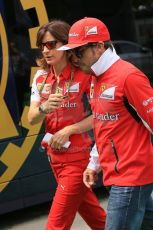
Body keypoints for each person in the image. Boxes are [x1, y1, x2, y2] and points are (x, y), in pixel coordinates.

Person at [58, 17, 153, 230]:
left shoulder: (129, 76)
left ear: (99, 47)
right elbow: (104, 127)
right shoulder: (94, 79)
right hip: (115, 174)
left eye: (78, 51)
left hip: (131, 176)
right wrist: (94, 163)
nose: (73, 58)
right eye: (70, 52)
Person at [28, 20, 106, 230]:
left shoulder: (85, 75)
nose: (46, 50)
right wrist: (44, 107)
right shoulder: (40, 76)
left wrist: (70, 129)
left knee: (55, 225)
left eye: (51, 44)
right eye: (42, 46)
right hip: (54, 158)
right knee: (98, 220)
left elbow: (101, 114)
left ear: (66, 45)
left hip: (78, 158)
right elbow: (31, 118)